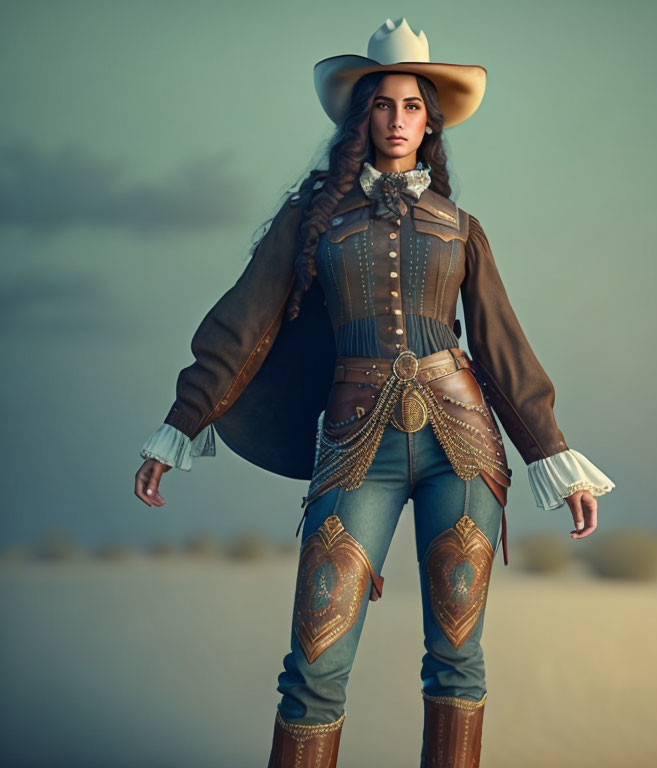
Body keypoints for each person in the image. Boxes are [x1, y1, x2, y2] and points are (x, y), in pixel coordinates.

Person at [134, 17, 615, 768]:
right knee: (315, 667)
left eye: (413, 107)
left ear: (432, 123)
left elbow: (501, 349)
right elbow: (242, 320)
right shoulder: (313, 217)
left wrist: (555, 455)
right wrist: (180, 422)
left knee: (457, 661)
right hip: (356, 450)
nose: (397, 120)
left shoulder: (462, 229)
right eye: (384, 106)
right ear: (364, 118)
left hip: (465, 451)